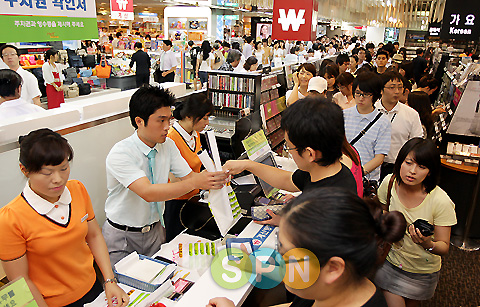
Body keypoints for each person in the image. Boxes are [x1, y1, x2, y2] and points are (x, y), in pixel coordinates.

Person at [207, 188, 407, 307]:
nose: (277, 258)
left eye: (285, 253)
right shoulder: (336, 287)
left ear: (333, 268)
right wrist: (249, 265)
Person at [0, 128, 129, 307]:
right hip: (52, 303)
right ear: (25, 170)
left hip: (94, 290)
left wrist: (109, 280)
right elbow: (21, 281)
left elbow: (93, 236)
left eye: (64, 168)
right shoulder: (10, 218)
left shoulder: (77, 189)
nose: (58, 179)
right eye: (47, 173)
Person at [102, 86, 227, 265]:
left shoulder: (167, 145)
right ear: (139, 121)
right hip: (123, 235)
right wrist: (197, 181)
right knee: (124, 288)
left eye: (169, 119)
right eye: (161, 121)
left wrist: (215, 178)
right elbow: (148, 193)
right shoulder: (121, 153)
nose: (167, 127)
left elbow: (189, 177)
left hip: (155, 230)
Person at [223, 97, 357, 226]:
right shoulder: (322, 170)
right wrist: (247, 164)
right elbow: (287, 180)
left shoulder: (326, 207)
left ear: (309, 153)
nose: (290, 152)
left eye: (289, 146)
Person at [374, 138, 457, 307]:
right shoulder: (389, 183)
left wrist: (427, 243)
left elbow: (444, 247)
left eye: (422, 167)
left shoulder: (440, 201)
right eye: (408, 162)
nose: (412, 171)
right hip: (389, 261)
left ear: (430, 172)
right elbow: (382, 212)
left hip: (421, 271)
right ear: (400, 161)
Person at [165, 93, 214, 241]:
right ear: (190, 116)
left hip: (193, 198)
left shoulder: (195, 134)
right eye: (204, 118)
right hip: (176, 203)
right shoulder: (171, 138)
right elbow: (174, 180)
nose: (207, 123)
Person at [344, 72, 391, 184]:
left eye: (366, 94)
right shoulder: (343, 115)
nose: (361, 98)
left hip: (366, 179)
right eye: (358, 93)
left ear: (374, 95)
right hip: (343, 175)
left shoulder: (383, 122)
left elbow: (379, 158)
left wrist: (357, 173)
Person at [376, 70, 423, 180]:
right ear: (381, 90)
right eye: (392, 87)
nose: (397, 91)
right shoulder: (371, 111)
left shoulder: (411, 114)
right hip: (372, 166)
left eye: (400, 87)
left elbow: (416, 143)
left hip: (397, 167)